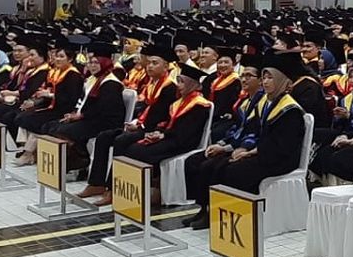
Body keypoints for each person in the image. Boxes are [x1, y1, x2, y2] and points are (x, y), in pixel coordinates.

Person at [183, 53, 308, 230]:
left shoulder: (290, 109)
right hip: (264, 152)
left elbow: (283, 146)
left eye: (270, 78)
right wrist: (240, 148)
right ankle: (208, 209)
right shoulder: (267, 102)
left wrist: (251, 152)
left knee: (232, 170)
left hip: (281, 159)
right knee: (215, 165)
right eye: (264, 77)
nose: (265, 82)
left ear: (281, 80)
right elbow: (254, 130)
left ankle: (237, 217)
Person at [78, 43, 178, 204]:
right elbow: (143, 111)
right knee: (104, 137)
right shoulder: (151, 84)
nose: (150, 66)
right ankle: (96, 183)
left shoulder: (169, 88)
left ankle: (113, 189)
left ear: (166, 66)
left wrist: (140, 126)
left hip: (153, 130)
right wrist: (134, 122)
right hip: (140, 125)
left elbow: (162, 116)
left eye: (155, 63)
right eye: (150, 62)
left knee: (121, 141)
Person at [112, 64, 213, 203]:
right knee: (133, 147)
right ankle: (130, 189)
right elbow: (167, 123)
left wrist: (164, 135)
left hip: (184, 142)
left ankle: (143, 190)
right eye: (179, 81)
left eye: (183, 82)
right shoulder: (179, 102)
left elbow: (187, 132)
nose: (179, 85)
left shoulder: (199, 105)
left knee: (138, 151)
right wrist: (157, 132)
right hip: (171, 137)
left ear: (193, 84)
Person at [43, 41, 126, 175]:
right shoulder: (92, 79)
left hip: (105, 122)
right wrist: (74, 113)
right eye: (90, 62)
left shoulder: (111, 83)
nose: (91, 66)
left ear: (105, 63)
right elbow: (82, 100)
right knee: (50, 126)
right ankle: (76, 158)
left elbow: (103, 108)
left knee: (63, 130)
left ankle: (79, 159)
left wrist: (81, 116)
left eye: (95, 63)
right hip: (90, 117)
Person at [14, 41, 85, 166]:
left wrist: (51, 95)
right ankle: (26, 149)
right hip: (50, 105)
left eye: (62, 56)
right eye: (56, 56)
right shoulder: (55, 72)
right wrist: (36, 99)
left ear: (70, 59)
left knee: (35, 120)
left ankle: (28, 153)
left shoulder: (73, 75)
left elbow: (72, 98)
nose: (58, 59)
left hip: (64, 108)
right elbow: (47, 89)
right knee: (24, 115)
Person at [203, 49, 242, 141]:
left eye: (226, 62)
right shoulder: (213, 80)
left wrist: (230, 114)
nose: (223, 65)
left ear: (233, 65)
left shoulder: (237, 81)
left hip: (227, 118)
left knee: (216, 132)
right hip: (212, 115)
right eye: (220, 62)